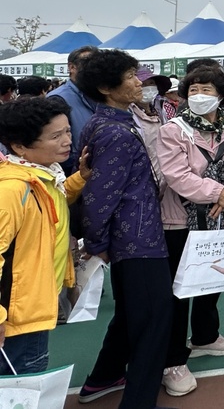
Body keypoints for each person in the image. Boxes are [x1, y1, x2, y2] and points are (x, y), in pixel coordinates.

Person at [76, 49, 172, 408]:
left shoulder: (111, 122)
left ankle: (102, 377)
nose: (139, 82)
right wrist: (98, 241)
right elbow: (100, 196)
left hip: (136, 234)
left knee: (133, 312)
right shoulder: (114, 132)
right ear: (105, 87)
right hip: (136, 239)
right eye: (131, 76)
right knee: (153, 320)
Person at [155, 65, 224, 396]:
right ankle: (172, 361)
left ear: (221, 94)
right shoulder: (173, 130)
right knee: (179, 291)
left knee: (213, 277)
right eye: (192, 89)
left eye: (206, 89)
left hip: (223, 215)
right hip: (181, 220)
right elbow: (176, 175)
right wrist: (217, 192)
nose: (198, 95)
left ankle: (206, 336)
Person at [0, 97, 89, 375]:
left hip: (34, 301)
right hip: (18, 312)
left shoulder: (44, 175)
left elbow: (54, 206)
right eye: (55, 136)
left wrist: (79, 178)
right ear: (20, 146)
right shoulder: (14, 190)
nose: (66, 141)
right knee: (23, 382)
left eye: (67, 131)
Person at [47, 45, 99, 174]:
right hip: (71, 173)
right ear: (71, 67)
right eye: (87, 63)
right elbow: (54, 144)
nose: (93, 68)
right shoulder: (58, 98)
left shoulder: (99, 94)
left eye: (97, 64)